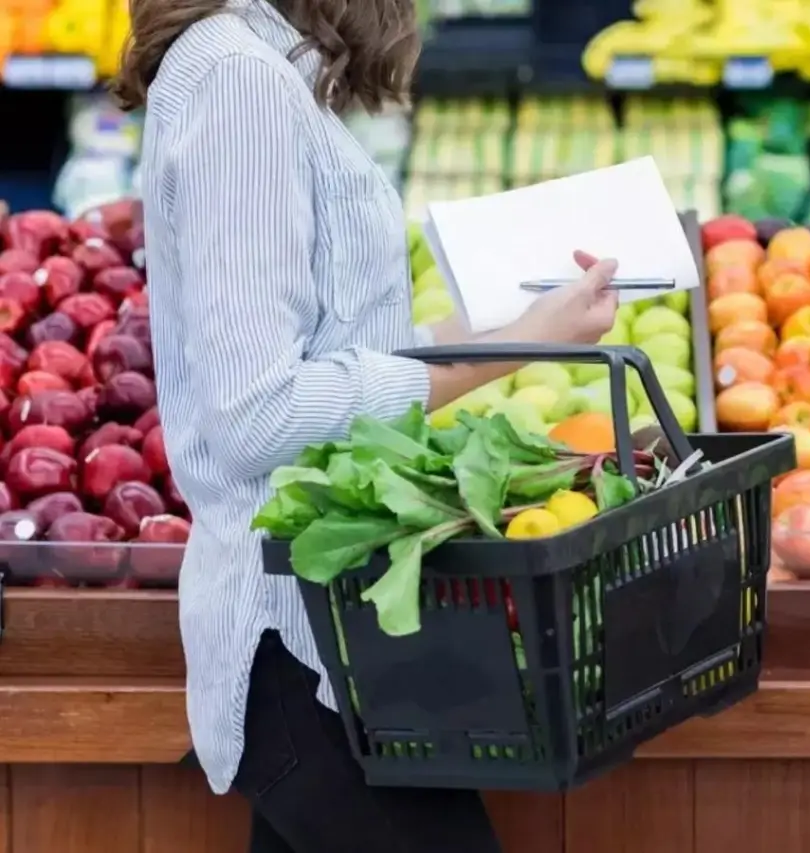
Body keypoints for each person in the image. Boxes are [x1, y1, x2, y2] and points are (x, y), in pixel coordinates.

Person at [112, 1, 619, 850]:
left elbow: (340, 354)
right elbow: (258, 412)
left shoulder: (264, 71)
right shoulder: (238, 79)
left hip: (343, 635)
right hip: (295, 642)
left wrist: (528, 325)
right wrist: (501, 359)